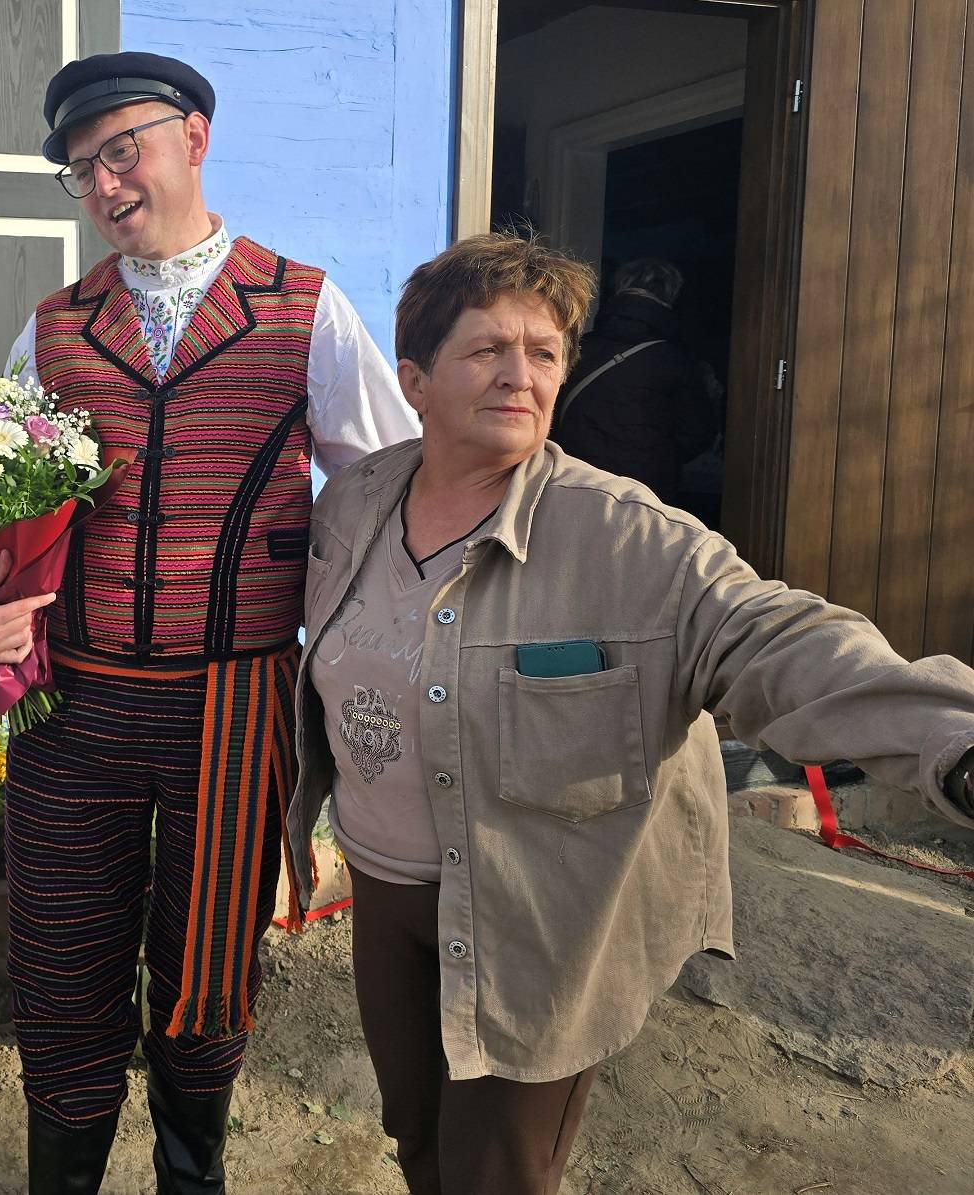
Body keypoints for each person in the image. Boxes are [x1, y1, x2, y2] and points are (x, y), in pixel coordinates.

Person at [290, 231, 974, 1195]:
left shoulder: (630, 540)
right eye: (487, 349)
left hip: (538, 915)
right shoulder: (354, 502)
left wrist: (952, 739)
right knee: (416, 1133)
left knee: (497, 1174)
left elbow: (777, 636)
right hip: (384, 889)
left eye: (543, 351)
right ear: (414, 380)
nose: (520, 374)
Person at [0, 51, 419, 1194]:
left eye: (123, 151)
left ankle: (191, 1176)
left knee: (206, 975)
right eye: (82, 169)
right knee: (60, 968)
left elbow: (392, 495)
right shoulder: (53, 331)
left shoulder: (303, 308)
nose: (105, 185)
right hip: (68, 704)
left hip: (234, 703)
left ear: (194, 139)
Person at [551, 256, 716, 504]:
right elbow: (696, 433)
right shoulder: (673, 359)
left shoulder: (580, 348)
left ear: (619, 289)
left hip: (574, 478)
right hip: (644, 487)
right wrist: (657, 455)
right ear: (671, 295)